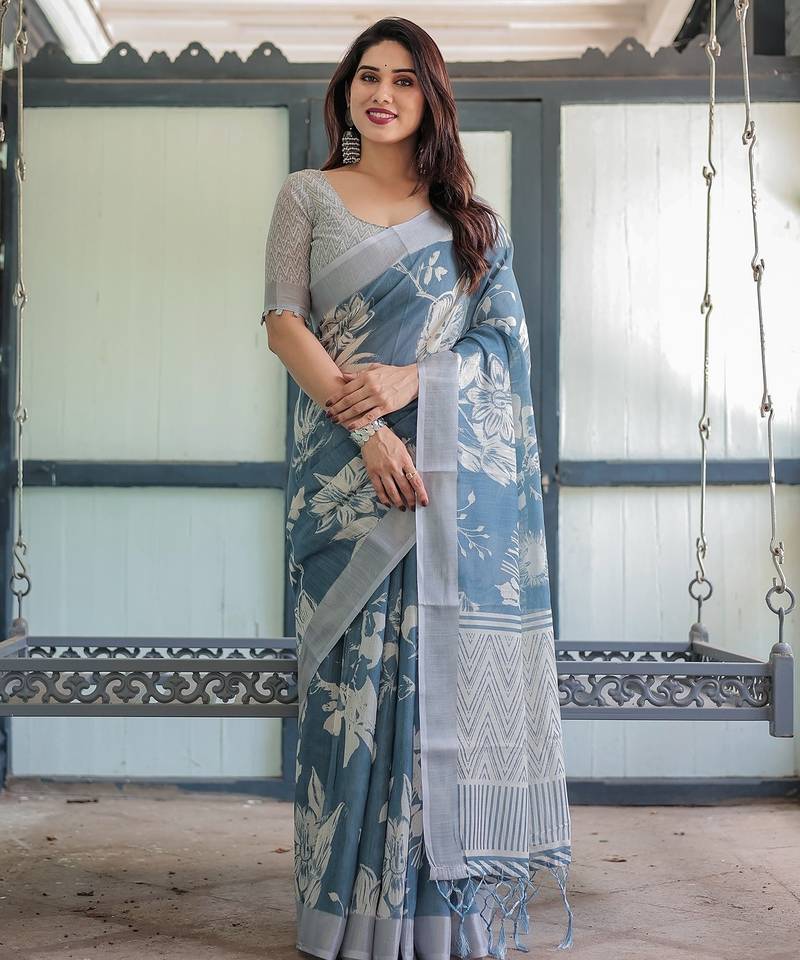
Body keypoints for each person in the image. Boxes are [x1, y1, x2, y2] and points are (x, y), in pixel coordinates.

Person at [261, 16, 573, 960]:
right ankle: (342, 921)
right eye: (368, 75)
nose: (382, 93)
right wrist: (368, 432)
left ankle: (444, 923)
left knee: (441, 696)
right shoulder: (306, 195)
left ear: (431, 98)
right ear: (346, 91)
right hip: (342, 482)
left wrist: (412, 381)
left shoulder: (472, 225)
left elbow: (502, 348)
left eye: (403, 79)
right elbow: (283, 324)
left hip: (445, 495)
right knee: (345, 700)